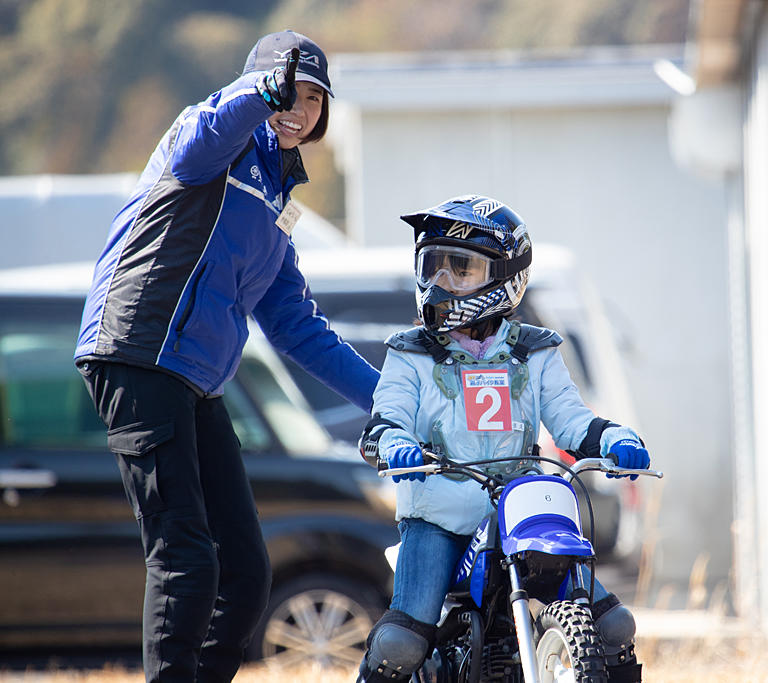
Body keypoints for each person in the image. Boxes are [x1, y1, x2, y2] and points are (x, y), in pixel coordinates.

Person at [74, 30, 380, 683]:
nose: (300, 107)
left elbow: (299, 326)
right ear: (262, 86)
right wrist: (259, 93)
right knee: (187, 558)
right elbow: (210, 128)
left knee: (246, 573)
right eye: (289, 90)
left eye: (314, 97)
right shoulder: (214, 137)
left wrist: (391, 403)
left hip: (194, 379)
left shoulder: (275, 201)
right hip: (136, 352)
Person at [354, 195, 650, 683]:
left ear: (506, 277)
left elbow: (571, 420)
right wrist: (392, 444)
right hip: (439, 516)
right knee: (401, 644)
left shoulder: (536, 351)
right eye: (434, 268)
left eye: (461, 269)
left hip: (524, 509)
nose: (441, 283)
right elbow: (385, 420)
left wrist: (611, 436)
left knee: (614, 625)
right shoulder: (410, 354)